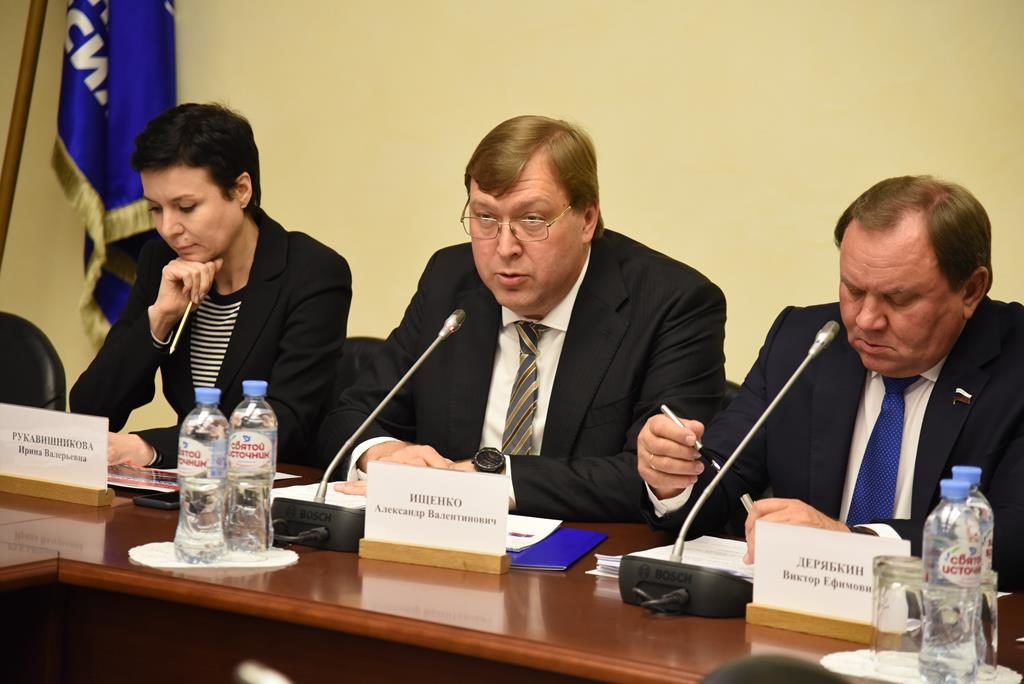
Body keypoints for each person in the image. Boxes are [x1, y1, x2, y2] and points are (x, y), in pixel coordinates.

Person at [318, 114, 726, 521]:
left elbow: (661, 477)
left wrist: (492, 480)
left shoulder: (673, 303)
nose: (505, 247)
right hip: (441, 540)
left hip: (586, 550)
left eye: (532, 220)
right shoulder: (450, 280)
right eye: (485, 217)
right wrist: (383, 453)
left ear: (587, 219)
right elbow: (351, 417)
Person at [637, 175, 1024, 589]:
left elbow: (1013, 539)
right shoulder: (804, 342)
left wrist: (851, 543)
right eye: (853, 290)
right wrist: (672, 480)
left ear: (971, 290)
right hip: (794, 612)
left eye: (898, 299)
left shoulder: (1014, 367)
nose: (866, 320)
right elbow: (721, 479)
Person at [71, 103, 351, 468]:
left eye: (186, 207)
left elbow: (286, 425)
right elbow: (91, 411)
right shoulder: (161, 262)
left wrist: (151, 448)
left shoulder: (312, 273)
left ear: (241, 190)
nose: (168, 228)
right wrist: (159, 320)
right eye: (156, 209)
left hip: (275, 487)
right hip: (188, 489)